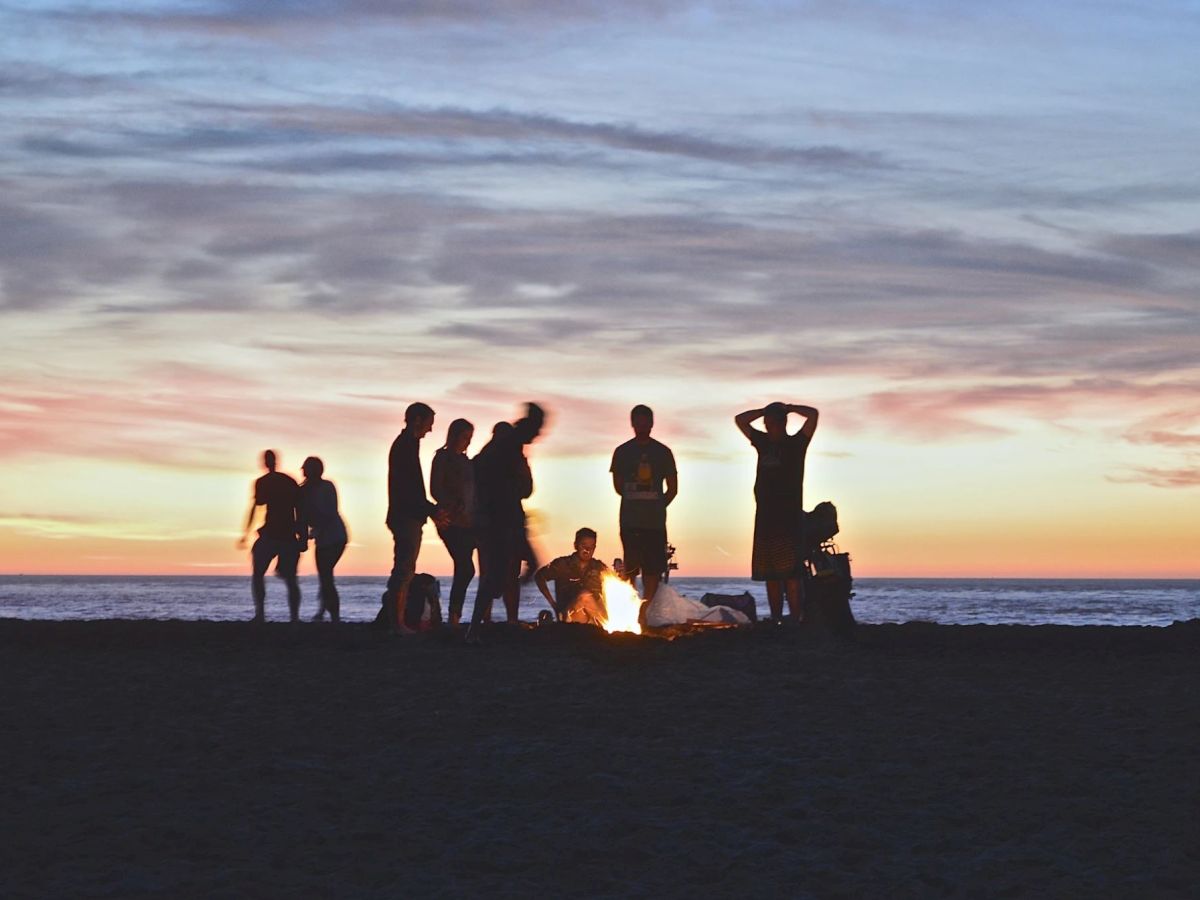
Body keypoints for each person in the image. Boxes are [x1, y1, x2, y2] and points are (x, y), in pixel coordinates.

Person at [467, 403, 546, 643]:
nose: (539, 435)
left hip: (505, 518)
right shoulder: (508, 447)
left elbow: (523, 488)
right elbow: (521, 488)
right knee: (497, 576)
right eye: (538, 429)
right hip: (501, 520)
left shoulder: (507, 448)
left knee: (518, 569)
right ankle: (475, 628)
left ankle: (480, 624)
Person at [735, 401, 819, 622]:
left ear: (781, 423)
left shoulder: (796, 444)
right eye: (766, 423)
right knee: (770, 574)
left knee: (792, 574)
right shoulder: (762, 442)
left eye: (770, 423)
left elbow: (813, 415)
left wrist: (790, 407)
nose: (766, 427)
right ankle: (775, 618)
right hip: (765, 518)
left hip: (789, 518)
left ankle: (795, 618)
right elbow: (740, 420)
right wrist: (763, 411)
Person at [383, 402, 448, 635]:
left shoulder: (408, 445)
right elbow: (409, 489)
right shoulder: (405, 446)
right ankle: (397, 624)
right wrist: (430, 510)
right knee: (404, 569)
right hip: (406, 516)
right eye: (429, 424)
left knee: (404, 568)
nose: (430, 430)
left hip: (407, 514)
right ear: (417, 420)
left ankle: (397, 622)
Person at [609, 404, 677, 603]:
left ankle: (645, 610)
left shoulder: (663, 452)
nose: (641, 424)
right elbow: (618, 486)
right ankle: (631, 605)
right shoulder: (622, 451)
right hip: (630, 520)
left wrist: (657, 506)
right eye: (637, 420)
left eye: (645, 420)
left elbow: (673, 489)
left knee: (653, 568)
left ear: (652, 423)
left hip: (654, 523)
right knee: (630, 567)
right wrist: (637, 498)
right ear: (632, 423)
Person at [238, 449, 305, 623]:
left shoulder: (266, 482)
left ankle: (265, 614)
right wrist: (302, 535)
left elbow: (256, 507)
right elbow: (300, 509)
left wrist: (246, 533)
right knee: (285, 578)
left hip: (280, 534)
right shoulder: (286, 481)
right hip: (279, 534)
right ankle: (287, 617)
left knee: (271, 576)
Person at [430, 418, 476, 628]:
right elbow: (435, 489)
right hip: (450, 520)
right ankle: (454, 617)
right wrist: (451, 504)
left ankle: (456, 616)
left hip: (469, 521)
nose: (466, 442)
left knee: (465, 567)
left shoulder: (467, 463)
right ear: (454, 435)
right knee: (465, 567)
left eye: (469, 438)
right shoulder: (442, 458)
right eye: (464, 437)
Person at [299, 456, 348, 623]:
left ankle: (333, 616)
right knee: (325, 576)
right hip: (323, 537)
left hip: (335, 536)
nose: (302, 471)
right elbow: (303, 517)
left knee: (326, 576)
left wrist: (311, 533)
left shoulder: (326, 487)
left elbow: (330, 512)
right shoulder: (304, 490)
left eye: (305, 468)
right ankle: (323, 612)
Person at [534, 527, 609, 624]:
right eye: (584, 545)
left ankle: (605, 626)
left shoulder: (599, 567)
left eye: (591, 546)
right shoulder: (562, 564)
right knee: (585, 597)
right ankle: (608, 625)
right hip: (571, 616)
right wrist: (553, 604)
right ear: (576, 545)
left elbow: (616, 582)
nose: (587, 550)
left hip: (595, 617)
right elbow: (539, 576)